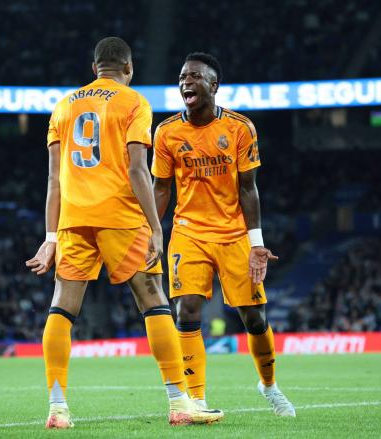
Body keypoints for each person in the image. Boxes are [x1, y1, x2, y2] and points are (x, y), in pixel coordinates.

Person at [25, 38, 223, 429]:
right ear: (128, 68)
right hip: (120, 214)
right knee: (153, 301)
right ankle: (179, 402)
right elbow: (137, 171)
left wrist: (50, 237)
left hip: (73, 219)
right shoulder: (133, 102)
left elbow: (53, 179)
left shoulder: (63, 106)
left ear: (95, 66)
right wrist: (154, 226)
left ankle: (57, 408)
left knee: (62, 308)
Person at [152, 52, 296, 417]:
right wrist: (151, 232)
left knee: (254, 318)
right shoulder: (166, 132)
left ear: (213, 86)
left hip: (234, 233)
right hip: (188, 232)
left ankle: (268, 385)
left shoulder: (240, 128)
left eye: (195, 77)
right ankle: (196, 398)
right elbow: (161, 188)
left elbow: (249, 188)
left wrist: (257, 243)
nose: (186, 82)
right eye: (182, 76)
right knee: (186, 309)